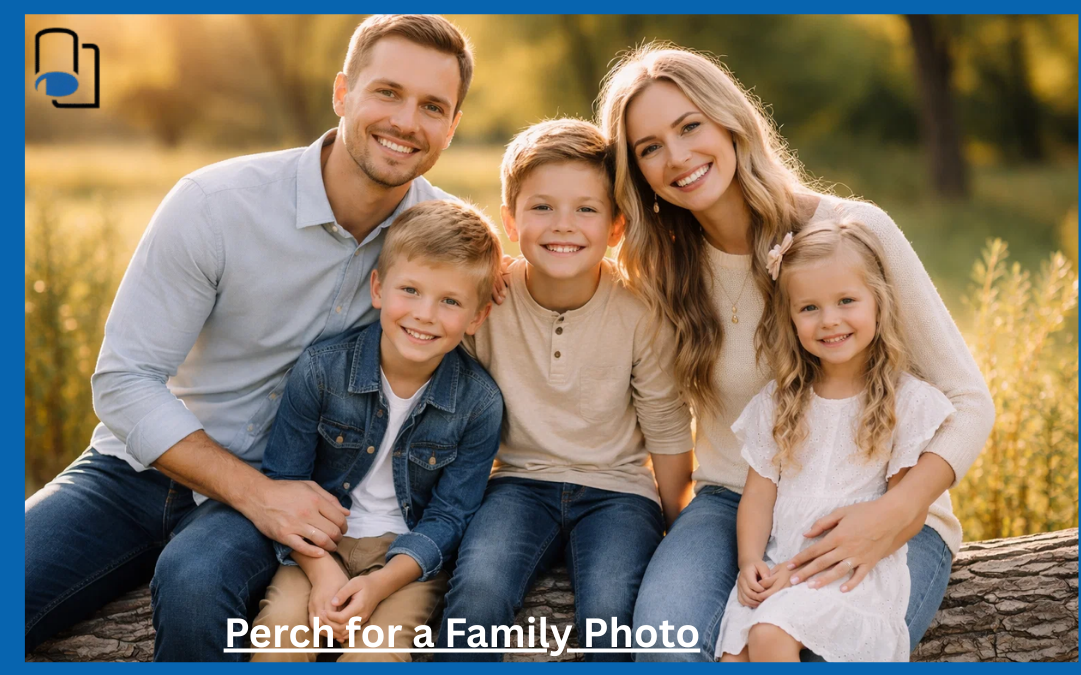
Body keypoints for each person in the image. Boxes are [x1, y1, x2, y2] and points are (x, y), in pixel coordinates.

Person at [25, 14, 480, 661]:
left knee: (196, 584)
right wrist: (257, 494)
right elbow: (124, 381)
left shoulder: (444, 249)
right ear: (343, 93)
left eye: (432, 106)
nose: (406, 121)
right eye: (387, 92)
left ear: (452, 125)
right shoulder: (216, 204)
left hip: (287, 491)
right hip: (132, 472)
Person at [596, 44, 995, 661]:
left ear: (730, 122)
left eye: (690, 126)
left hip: (875, 499)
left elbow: (969, 401)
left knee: (807, 648)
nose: (676, 157)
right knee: (667, 648)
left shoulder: (852, 233)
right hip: (733, 500)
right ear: (636, 171)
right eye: (649, 148)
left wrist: (899, 509)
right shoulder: (661, 272)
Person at [435, 119, 695, 662]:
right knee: (477, 594)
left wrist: (678, 525)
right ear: (510, 220)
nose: (563, 225)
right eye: (542, 207)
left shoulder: (639, 311)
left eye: (586, 209)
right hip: (517, 483)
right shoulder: (489, 300)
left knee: (612, 616)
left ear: (616, 226)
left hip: (619, 491)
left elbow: (667, 425)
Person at [249, 200, 504, 662]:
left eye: (450, 301)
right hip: (316, 547)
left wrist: (380, 584)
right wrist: (322, 572)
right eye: (411, 290)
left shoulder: (479, 403)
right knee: (278, 639)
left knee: (375, 657)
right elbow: (284, 482)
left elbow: (449, 517)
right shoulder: (322, 371)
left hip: (405, 562)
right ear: (378, 288)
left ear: (477, 317)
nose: (425, 314)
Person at [716, 220, 954, 662]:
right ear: (790, 319)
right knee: (734, 656)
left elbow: (906, 512)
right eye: (809, 308)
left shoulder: (904, 400)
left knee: (769, 635)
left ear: (879, 302)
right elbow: (759, 495)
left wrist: (804, 571)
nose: (829, 320)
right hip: (781, 561)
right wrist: (750, 561)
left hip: (853, 567)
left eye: (846, 301)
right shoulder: (779, 402)